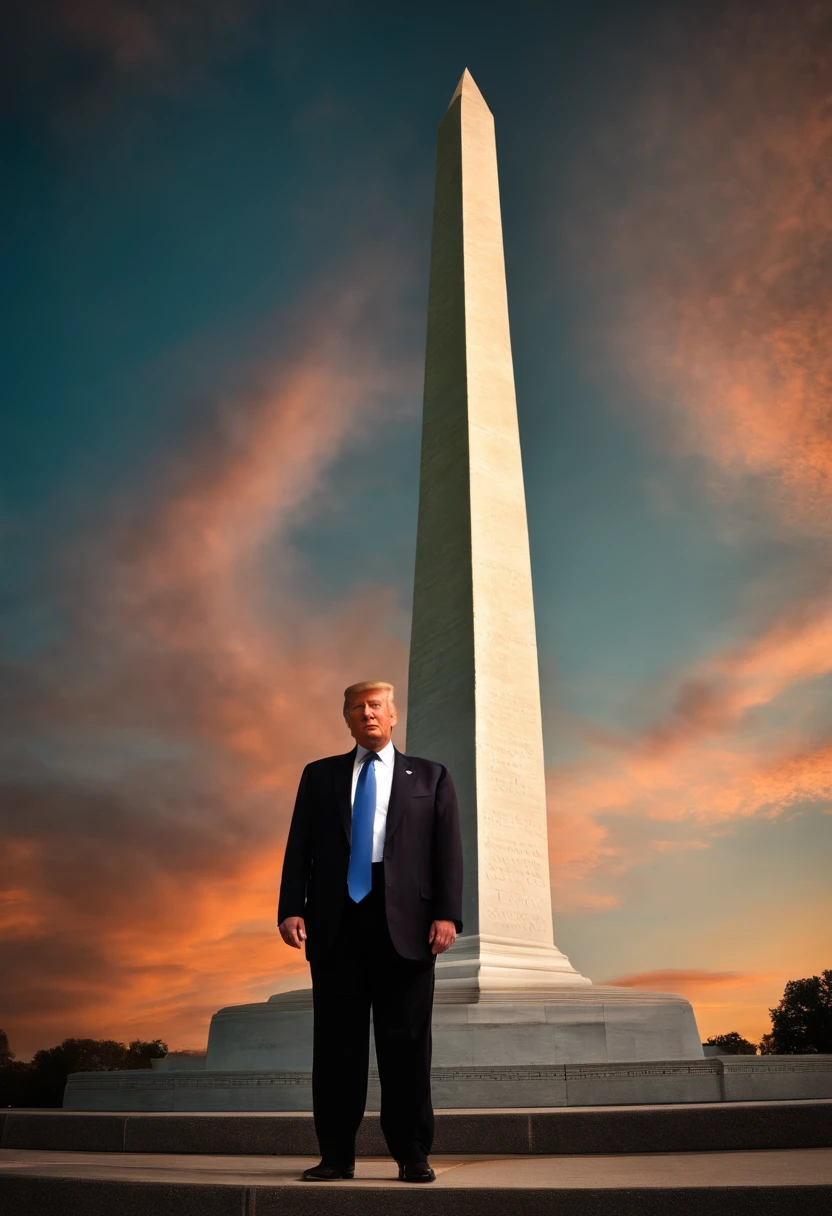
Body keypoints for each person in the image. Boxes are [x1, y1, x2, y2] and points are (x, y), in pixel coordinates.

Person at [278, 680, 463, 1183]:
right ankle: (336, 1156)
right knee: (337, 1045)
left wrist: (447, 914)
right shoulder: (319, 776)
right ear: (347, 718)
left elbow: (447, 852)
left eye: (376, 705)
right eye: (357, 708)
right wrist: (291, 907)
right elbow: (300, 846)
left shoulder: (431, 775)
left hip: (408, 924)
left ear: (393, 714)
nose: (368, 714)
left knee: (406, 1044)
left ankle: (412, 1153)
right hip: (336, 921)